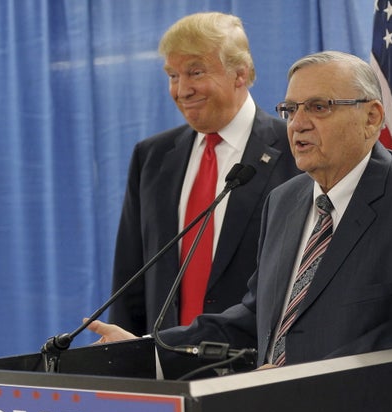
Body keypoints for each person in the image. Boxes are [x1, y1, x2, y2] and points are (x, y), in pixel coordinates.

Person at [90, 51, 392, 412]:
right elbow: (259, 316)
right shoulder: (286, 200)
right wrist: (150, 349)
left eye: (319, 107)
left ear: (372, 117)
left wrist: (298, 380)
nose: (297, 123)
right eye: (290, 109)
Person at [107, 12, 299, 335]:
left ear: (241, 73)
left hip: (257, 369)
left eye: (195, 72)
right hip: (164, 365)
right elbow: (131, 280)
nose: (182, 90)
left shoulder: (294, 150)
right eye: (172, 75)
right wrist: (123, 361)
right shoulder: (151, 157)